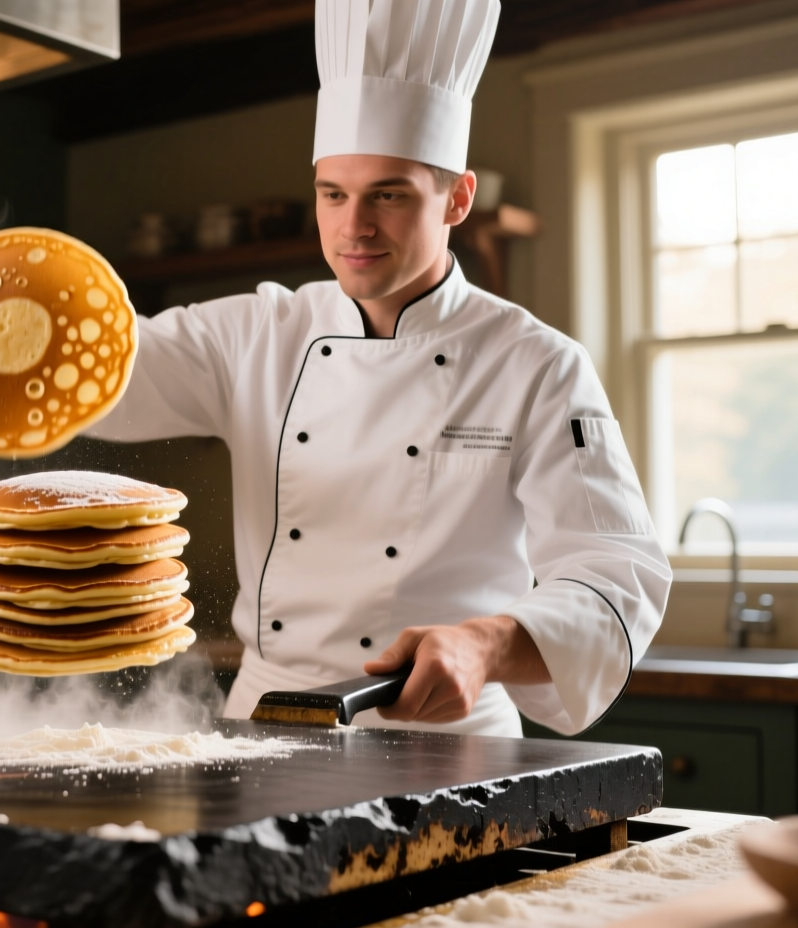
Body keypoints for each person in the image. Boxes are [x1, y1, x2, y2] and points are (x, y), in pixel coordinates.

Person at [87, 0, 671, 737]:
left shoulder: (537, 364)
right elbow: (105, 377)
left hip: (447, 746)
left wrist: (484, 645)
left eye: (388, 196)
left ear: (457, 198)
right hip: (264, 730)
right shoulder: (255, 332)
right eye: (333, 194)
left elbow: (618, 573)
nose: (353, 226)